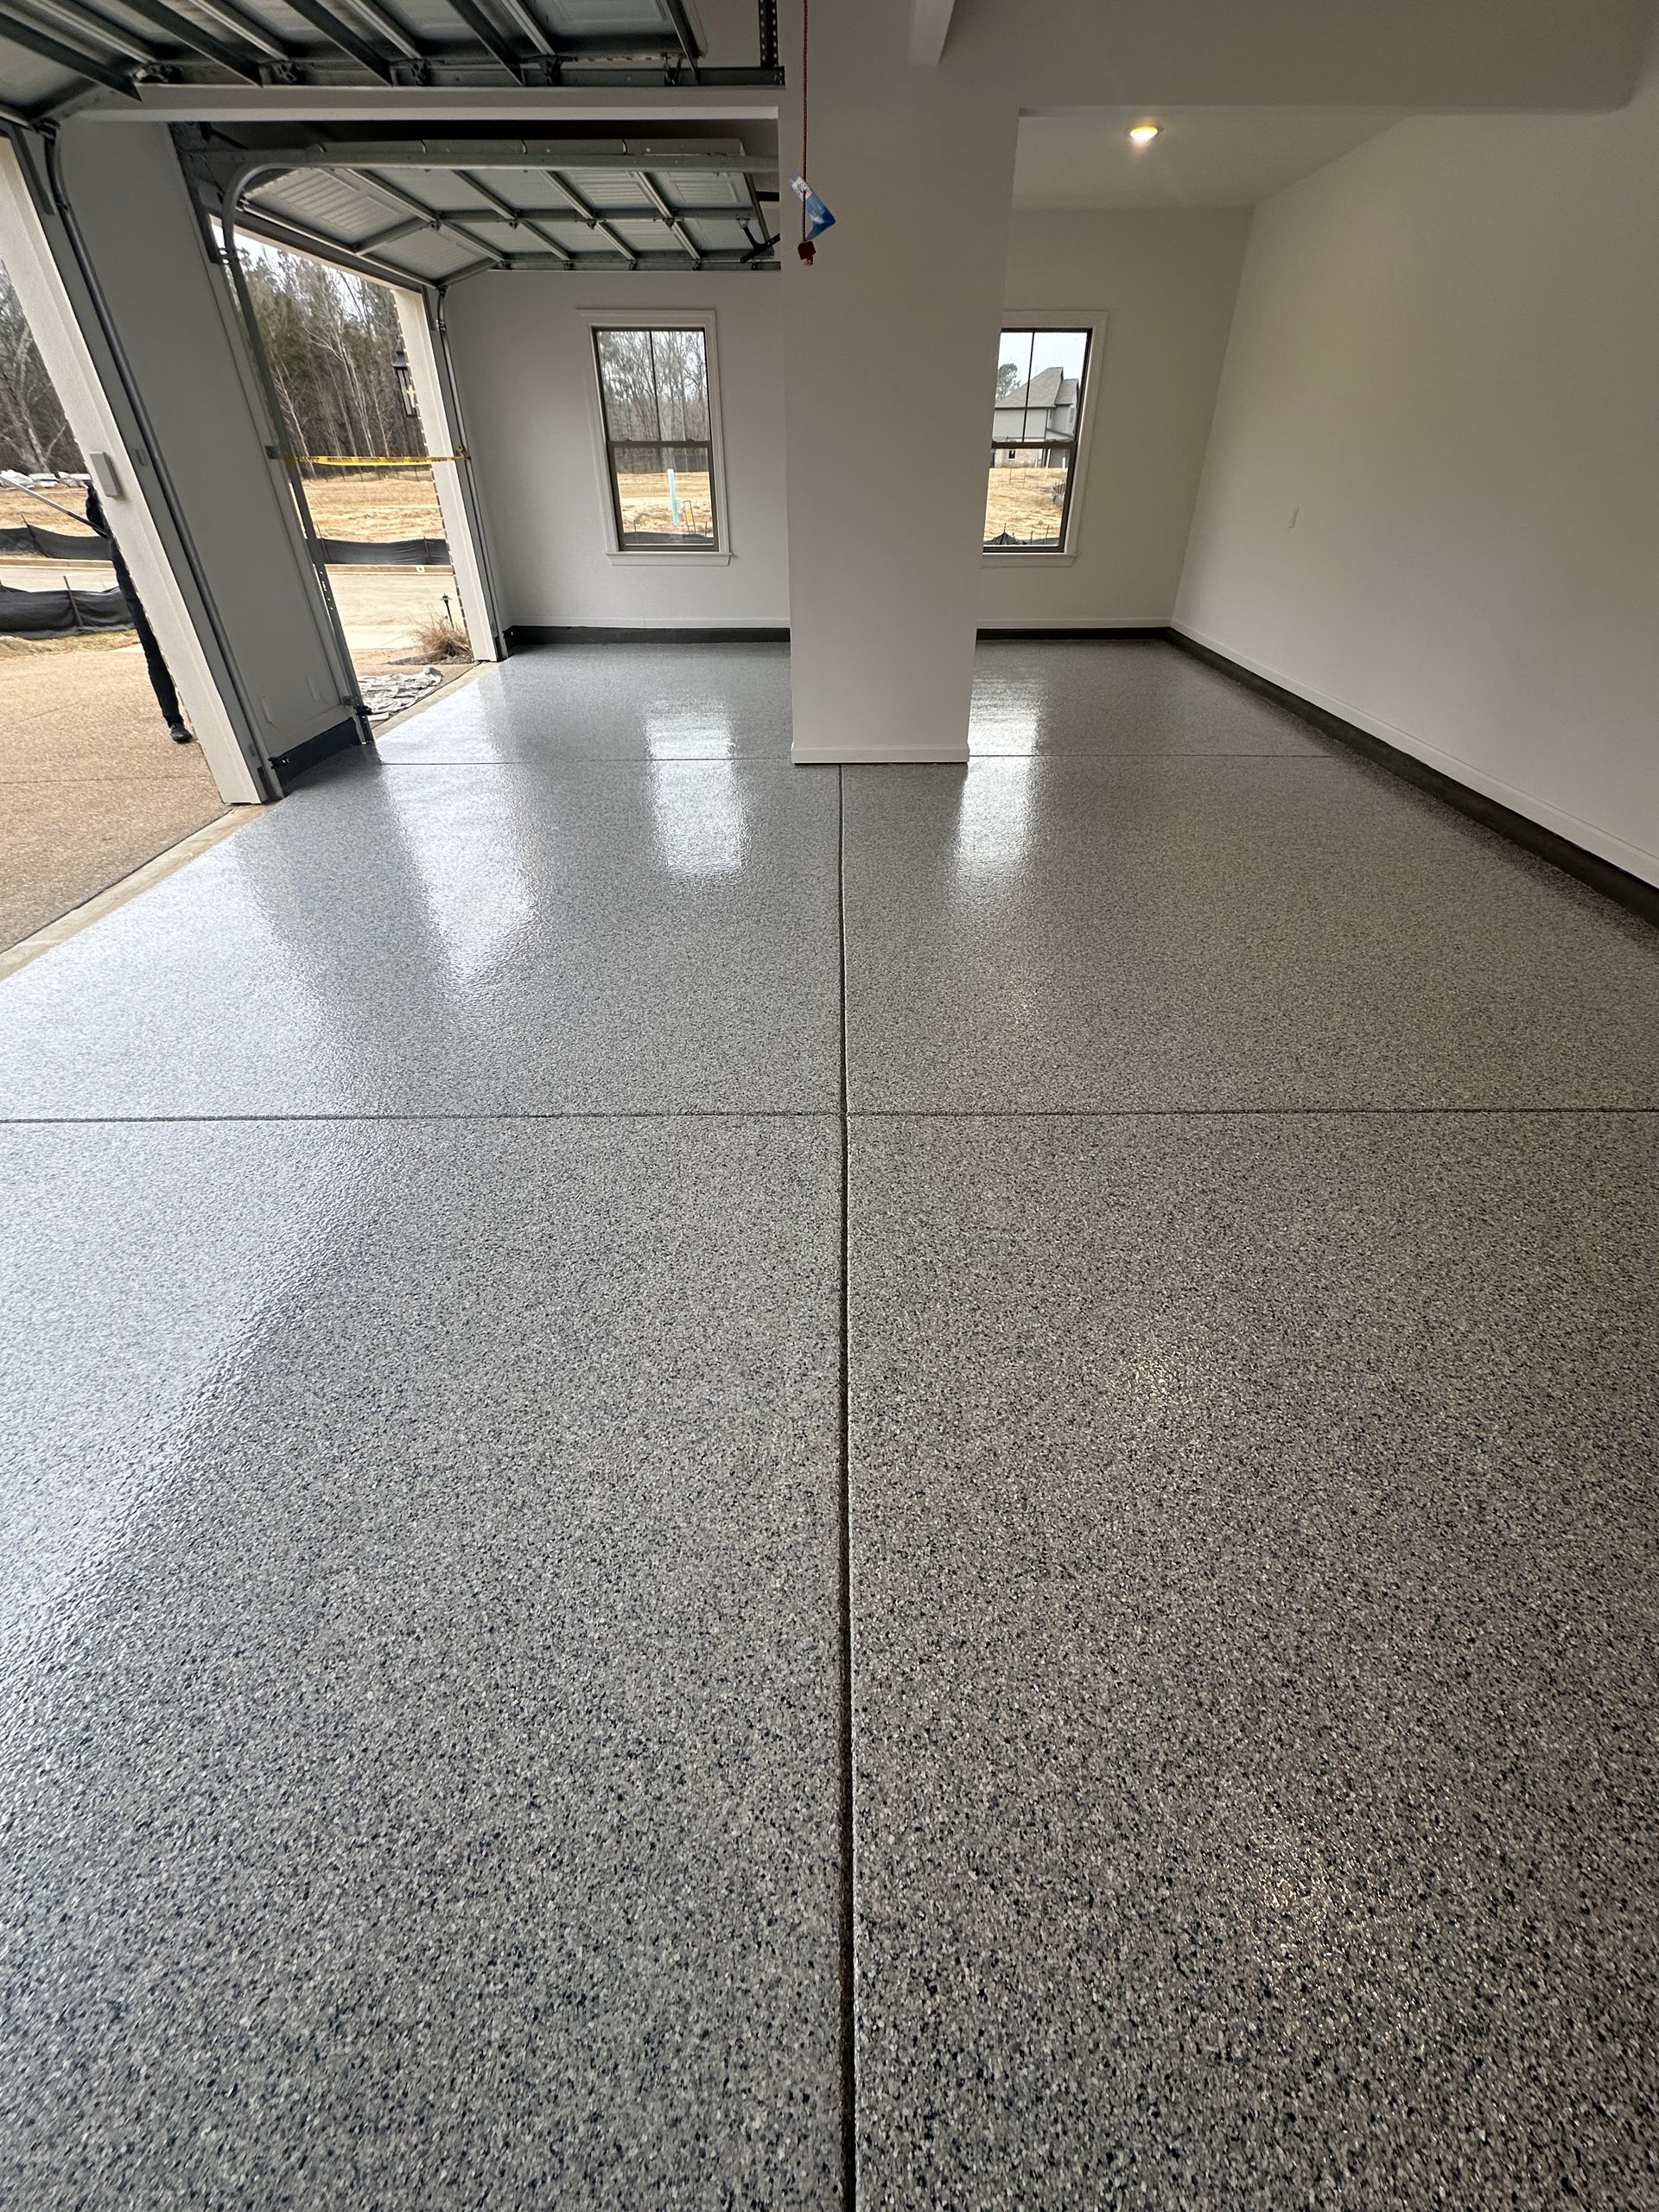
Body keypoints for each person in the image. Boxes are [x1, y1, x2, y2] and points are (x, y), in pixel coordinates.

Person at [84, 481, 192, 744]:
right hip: (135, 591)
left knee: (189, 649)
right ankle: (174, 720)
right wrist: (93, 495)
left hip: (172, 585)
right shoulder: (102, 492)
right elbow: (99, 526)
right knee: (154, 653)